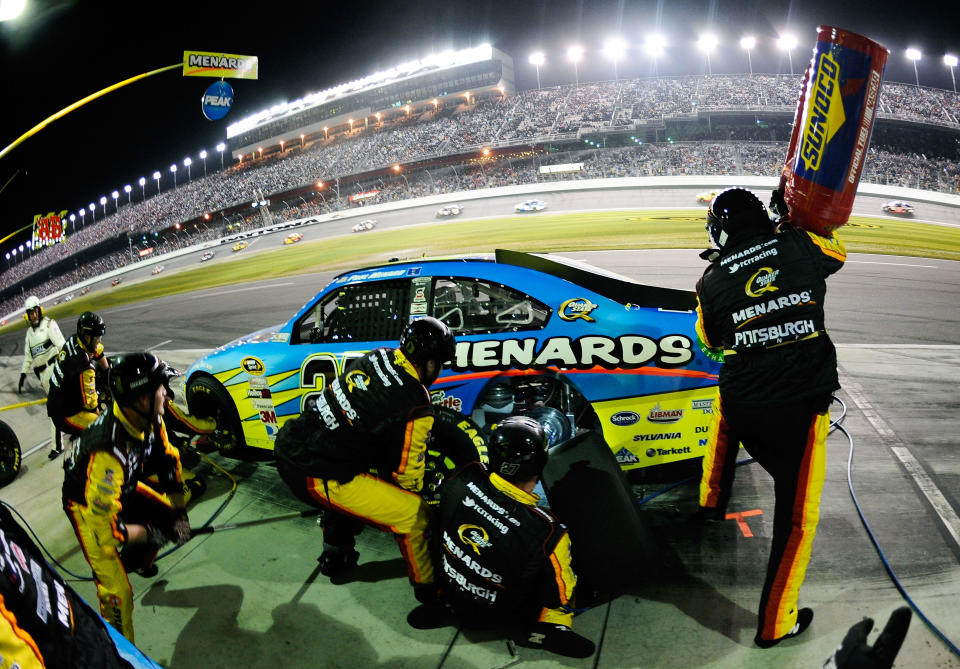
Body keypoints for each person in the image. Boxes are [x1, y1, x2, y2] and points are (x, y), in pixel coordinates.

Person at [694, 186, 846, 648]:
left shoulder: (710, 278)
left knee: (726, 400)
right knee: (797, 519)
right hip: (800, 406)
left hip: (746, 404)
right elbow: (837, 253)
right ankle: (776, 623)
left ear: (721, 230)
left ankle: (710, 498)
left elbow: (710, 342)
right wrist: (792, 225)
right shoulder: (801, 243)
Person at [274, 316, 455, 603]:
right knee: (414, 515)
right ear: (429, 361)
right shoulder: (417, 405)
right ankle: (431, 593)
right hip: (314, 471)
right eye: (440, 363)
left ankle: (336, 553)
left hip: (291, 443)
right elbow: (408, 478)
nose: (440, 370)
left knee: (353, 474)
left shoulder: (378, 356)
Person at [409, 416, 595, 659]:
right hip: (503, 615)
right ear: (540, 462)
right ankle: (552, 628)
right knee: (563, 584)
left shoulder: (461, 478)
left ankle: (448, 604)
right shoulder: (549, 531)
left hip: (459, 600)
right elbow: (556, 596)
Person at [62, 352, 191, 642]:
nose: (166, 393)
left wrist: (179, 515)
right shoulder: (107, 452)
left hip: (123, 485)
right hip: (87, 507)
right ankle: (123, 657)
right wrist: (146, 532)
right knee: (118, 594)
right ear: (143, 398)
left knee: (168, 521)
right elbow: (109, 529)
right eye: (161, 387)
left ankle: (137, 562)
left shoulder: (151, 417)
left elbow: (169, 464)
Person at [45, 311, 109, 459]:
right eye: (97, 338)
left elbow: (97, 350)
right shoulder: (83, 366)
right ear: (87, 337)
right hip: (64, 414)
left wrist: (108, 371)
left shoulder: (75, 340)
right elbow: (91, 405)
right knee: (104, 430)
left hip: (60, 398)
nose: (99, 341)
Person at [18, 295, 65, 453]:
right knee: (63, 403)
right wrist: (23, 374)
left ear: (40, 310)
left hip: (55, 369)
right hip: (43, 376)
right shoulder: (29, 335)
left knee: (54, 408)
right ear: (27, 316)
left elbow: (61, 345)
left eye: (36, 311)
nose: (34, 315)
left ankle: (56, 446)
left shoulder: (49, 324)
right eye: (30, 313)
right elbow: (28, 356)